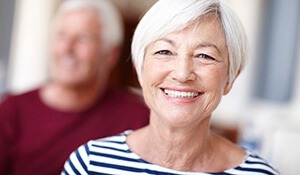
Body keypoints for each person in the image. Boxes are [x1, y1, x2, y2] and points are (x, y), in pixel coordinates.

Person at [62, 0, 280, 174]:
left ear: (230, 78)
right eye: (165, 52)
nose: (182, 74)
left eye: (205, 56)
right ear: (140, 68)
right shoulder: (90, 164)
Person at [0, 0, 149, 174]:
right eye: (61, 35)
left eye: (83, 38)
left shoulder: (138, 118)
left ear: (111, 53)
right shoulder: (12, 111)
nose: (67, 48)